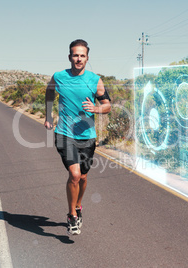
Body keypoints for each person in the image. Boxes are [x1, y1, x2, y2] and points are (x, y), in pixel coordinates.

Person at [44, 39, 111, 235]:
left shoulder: (95, 80)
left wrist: (96, 108)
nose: (78, 59)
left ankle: (79, 205)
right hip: (65, 133)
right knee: (74, 175)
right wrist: (48, 116)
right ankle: (72, 215)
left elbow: (107, 105)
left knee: (82, 176)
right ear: (69, 57)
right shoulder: (59, 77)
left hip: (87, 136)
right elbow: (49, 93)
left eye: (82, 55)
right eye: (75, 55)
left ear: (87, 58)